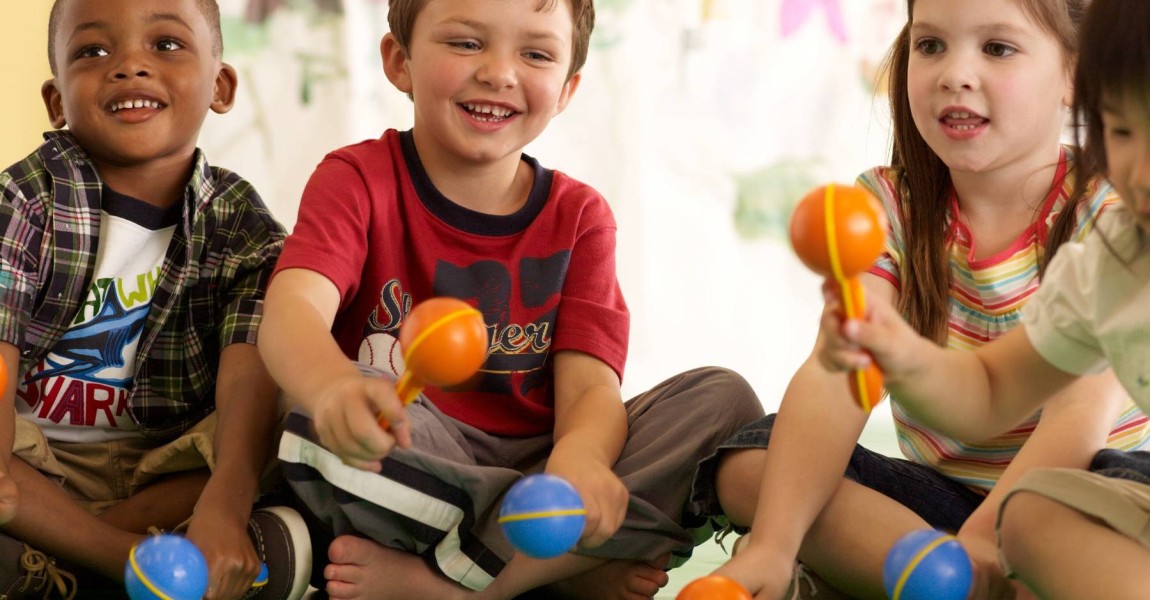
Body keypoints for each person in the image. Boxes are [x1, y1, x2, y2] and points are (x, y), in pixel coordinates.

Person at [257, 0, 764, 598]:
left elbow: (591, 390)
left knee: (724, 405)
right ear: (399, 62)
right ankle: (552, 565)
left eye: (535, 54)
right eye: (467, 44)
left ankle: (461, 583)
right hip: (415, 446)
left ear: (568, 87)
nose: (500, 72)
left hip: (540, 467)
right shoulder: (356, 179)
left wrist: (580, 459)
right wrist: (334, 388)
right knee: (312, 426)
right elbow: (291, 310)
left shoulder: (581, 216)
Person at [698, 0, 1150, 598]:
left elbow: (1078, 423)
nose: (953, 73)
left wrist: (991, 537)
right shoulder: (892, 208)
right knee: (752, 464)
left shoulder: (1110, 216)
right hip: (944, 503)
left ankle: (971, 571)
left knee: (1040, 519)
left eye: (996, 48)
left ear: (1073, 76)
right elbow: (965, 390)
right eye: (931, 44)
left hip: (1084, 487)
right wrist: (774, 546)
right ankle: (966, 581)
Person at [0, 0, 311, 598]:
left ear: (220, 86)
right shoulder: (29, 196)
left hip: (161, 462)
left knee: (293, 407)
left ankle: (67, 558)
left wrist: (226, 499)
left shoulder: (241, 224)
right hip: (35, 461)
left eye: (166, 45)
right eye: (93, 51)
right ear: (57, 102)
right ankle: (125, 558)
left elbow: (247, 376)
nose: (130, 66)